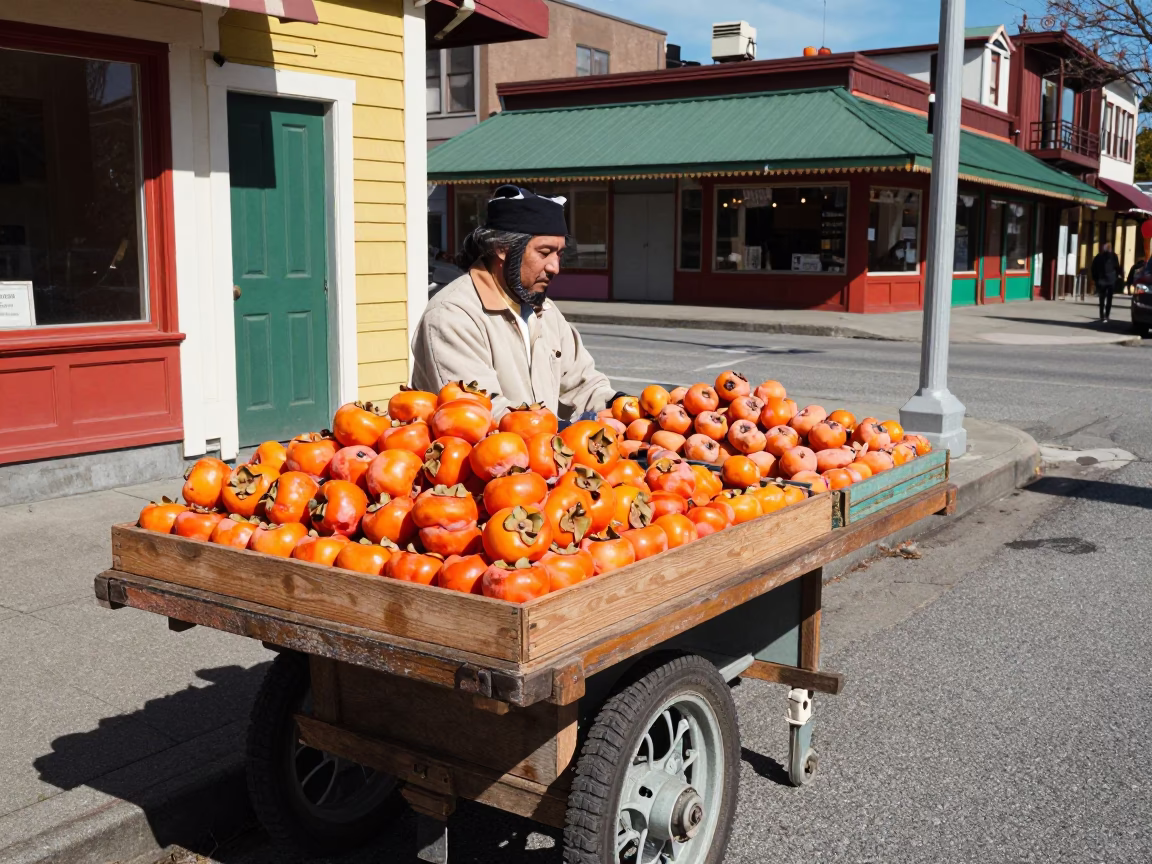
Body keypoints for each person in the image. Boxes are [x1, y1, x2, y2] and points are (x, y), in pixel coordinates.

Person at [411, 185, 620, 421]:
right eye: (544, 252)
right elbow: (479, 411)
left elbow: (583, 384)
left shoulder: (545, 311)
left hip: (543, 453)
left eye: (559, 254)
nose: (555, 267)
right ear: (502, 249)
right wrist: (565, 433)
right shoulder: (453, 315)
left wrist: (623, 405)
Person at [1091, 242, 1121, 322]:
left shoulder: (1099, 256)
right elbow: (1117, 267)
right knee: (1109, 299)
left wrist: (1095, 279)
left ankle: (1102, 315)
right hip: (1111, 280)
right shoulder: (1114, 256)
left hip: (1102, 280)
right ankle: (1107, 315)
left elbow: (1093, 268)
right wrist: (1117, 276)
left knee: (1102, 298)